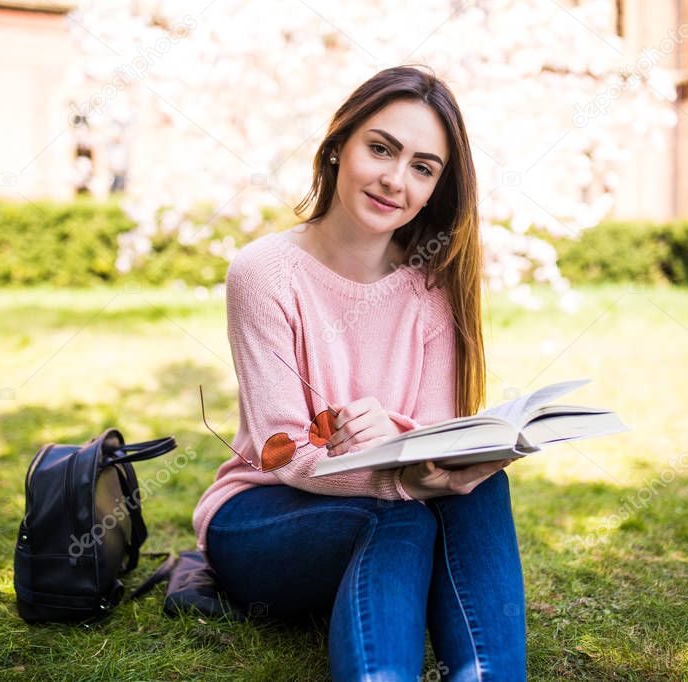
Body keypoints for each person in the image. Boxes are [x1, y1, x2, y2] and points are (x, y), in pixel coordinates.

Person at [191, 64, 526, 681]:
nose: (395, 180)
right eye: (381, 148)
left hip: (391, 519)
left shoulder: (431, 289)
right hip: (264, 522)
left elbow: (436, 434)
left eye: (423, 167)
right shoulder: (265, 273)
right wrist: (405, 476)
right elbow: (281, 451)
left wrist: (427, 453)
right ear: (338, 146)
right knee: (397, 512)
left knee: (479, 489)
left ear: (435, 189)